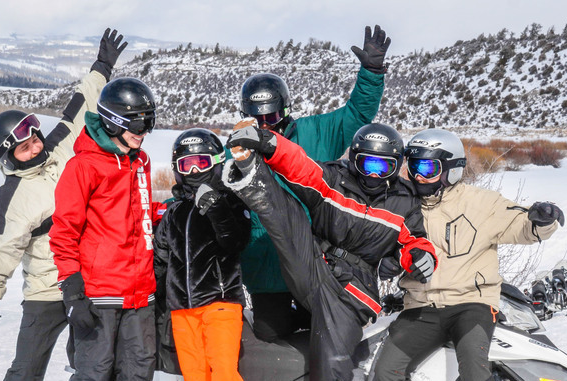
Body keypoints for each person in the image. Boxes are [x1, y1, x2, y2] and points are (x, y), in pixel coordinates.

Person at [224, 120, 437, 380]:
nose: (374, 175)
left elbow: (414, 239)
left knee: (331, 359)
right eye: (367, 164)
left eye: (384, 167)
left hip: (352, 291)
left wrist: (420, 255)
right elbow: (300, 167)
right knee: (289, 215)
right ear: (355, 160)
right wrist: (269, 141)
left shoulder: (404, 203)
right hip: (316, 262)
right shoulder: (335, 180)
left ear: (395, 167)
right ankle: (250, 171)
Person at [0, 28, 125, 381]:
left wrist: (102, 66)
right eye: (23, 147)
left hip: (88, 282)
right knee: (26, 371)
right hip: (46, 291)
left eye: (34, 136)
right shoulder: (11, 198)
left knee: (95, 366)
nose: (35, 147)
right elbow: (1, 253)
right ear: (8, 156)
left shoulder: (59, 149)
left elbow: (81, 104)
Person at [238, 24, 393, 343]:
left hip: (314, 260)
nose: (268, 125)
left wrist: (371, 73)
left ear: (285, 109)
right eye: (259, 119)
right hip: (266, 265)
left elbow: (357, 114)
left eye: (273, 116)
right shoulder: (239, 150)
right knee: (270, 333)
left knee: (323, 330)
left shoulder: (314, 133)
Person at [371, 129, 565, 381]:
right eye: (414, 167)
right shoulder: (401, 203)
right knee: (386, 371)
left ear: (452, 169)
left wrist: (542, 219)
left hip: (471, 304)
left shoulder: (481, 203)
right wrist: (389, 260)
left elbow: (522, 225)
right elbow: (379, 241)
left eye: (428, 169)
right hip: (420, 306)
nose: (418, 176)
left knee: (475, 369)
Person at [49, 74, 162, 381]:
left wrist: (167, 211)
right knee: (95, 373)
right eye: (138, 125)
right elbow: (63, 230)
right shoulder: (84, 166)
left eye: (149, 124)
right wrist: (72, 288)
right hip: (101, 296)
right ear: (113, 122)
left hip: (141, 295)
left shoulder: (141, 162)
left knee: (139, 371)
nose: (144, 133)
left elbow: (138, 212)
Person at [153, 129, 252, 381]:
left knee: (223, 373)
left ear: (216, 162)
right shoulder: (173, 212)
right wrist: (156, 300)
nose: (195, 172)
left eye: (202, 163)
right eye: (188, 165)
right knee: (194, 375)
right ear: (177, 168)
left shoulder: (231, 202)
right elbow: (161, 259)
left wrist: (216, 207)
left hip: (219, 303)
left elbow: (235, 241)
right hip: (182, 309)